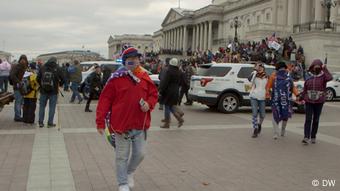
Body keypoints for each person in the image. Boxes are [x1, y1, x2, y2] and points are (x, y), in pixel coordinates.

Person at [96, 47, 158, 191]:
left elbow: (153, 94)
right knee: (121, 157)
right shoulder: (116, 79)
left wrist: (149, 104)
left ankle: (129, 172)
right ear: (125, 61)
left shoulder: (144, 76)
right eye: (130, 59)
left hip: (139, 125)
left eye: (136, 58)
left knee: (140, 154)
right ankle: (122, 183)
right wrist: (100, 121)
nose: (134, 61)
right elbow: (104, 100)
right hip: (121, 126)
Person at [300, 59, 332, 145]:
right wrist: (301, 97)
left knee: (316, 119)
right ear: (312, 67)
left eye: (318, 66)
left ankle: (313, 136)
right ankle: (306, 137)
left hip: (319, 101)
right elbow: (305, 88)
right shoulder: (308, 76)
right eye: (315, 66)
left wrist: (325, 69)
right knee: (308, 119)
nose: (316, 68)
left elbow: (330, 78)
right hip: (309, 101)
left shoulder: (323, 76)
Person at [266, 61, 299, 139]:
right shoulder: (273, 76)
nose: (282, 70)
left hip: (286, 100)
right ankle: (276, 132)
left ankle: (282, 130)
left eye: (283, 68)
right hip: (276, 100)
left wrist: (297, 94)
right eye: (281, 68)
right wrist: (267, 94)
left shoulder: (288, 77)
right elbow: (268, 86)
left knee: (285, 115)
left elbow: (292, 87)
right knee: (275, 115)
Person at [37, 57, 64, 128]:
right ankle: (50, 123)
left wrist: (42, 85)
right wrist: (59, 84)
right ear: (55, 61)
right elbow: (63, 79)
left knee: (42, 107)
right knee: (52, 107)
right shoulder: (58, 68)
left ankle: (40, 122)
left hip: (43, 91)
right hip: (53, 91)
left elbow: (37, 78)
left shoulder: (43, 67)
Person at [159, 58, 184, 129]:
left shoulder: (169, 71)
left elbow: (165, 82)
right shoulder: (179, 72)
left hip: (168, 91)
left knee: (167, 106)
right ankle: (180, 119)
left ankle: (167, 123)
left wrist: (161, 90)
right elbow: (180, 82)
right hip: (176, 91)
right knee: (170, 106)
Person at [248, 63, 268, 138]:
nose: (259, 68)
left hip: (262, 97)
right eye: (258, 67)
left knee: (262, 115)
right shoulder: (254, 74)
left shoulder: (266, 77)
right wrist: (255, 71)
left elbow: (268, 86)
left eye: (261, 67)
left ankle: (259, 124)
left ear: (263, 68)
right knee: (254, 113)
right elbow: (249, 79)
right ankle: (255, 129)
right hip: (254, 96)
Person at [9, 55, 28, 122]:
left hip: (20, 86)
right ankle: (17, 116)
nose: (23, 61)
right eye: (22, 60)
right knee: (18, 101)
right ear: (20, 60)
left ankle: (18, 115)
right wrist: (18, 82)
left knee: (20, 101)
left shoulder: (23, 67)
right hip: (17, 86)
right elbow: (12, 75)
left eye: (24, 60)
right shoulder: (17, 66)